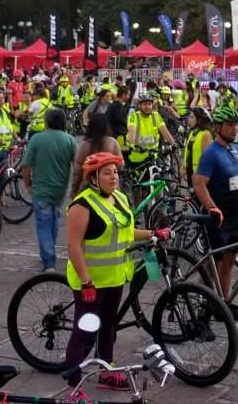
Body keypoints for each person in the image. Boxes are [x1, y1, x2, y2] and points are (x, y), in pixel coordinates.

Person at [62, 152, 162, 395]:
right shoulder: (82, 204)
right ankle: (73, 381)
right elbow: (73, 246)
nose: (113, 177)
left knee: (108, 327)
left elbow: (127, 231)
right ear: (94, 178)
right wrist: (86, 282)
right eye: (107, 173)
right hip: (91, 282)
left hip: (115, 277)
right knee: (84, 330)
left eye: (115, 172)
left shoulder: (118, 198)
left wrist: (153, 234)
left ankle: (107, 371)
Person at [192, 106, 238, 319]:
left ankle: (223, 305)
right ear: (218, 127)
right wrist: (212, 207)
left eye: (236, 125)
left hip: (233, 216)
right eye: (229, 125)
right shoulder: (211, 153)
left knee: (229, 261)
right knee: (213, 265)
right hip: (217, 218)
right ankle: (202, 314)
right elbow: (199, 183)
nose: (234, 129)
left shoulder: (235, 150)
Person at [20, 108, 77, 271]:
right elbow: (77, 165)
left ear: (47, 122)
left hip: (41, 189)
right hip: (60, 190)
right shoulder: (70, 140)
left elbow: (26, 166)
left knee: (43, 224)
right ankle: (49, 249)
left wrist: (28, 184)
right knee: (54, 222)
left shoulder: (37, 139)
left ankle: (49, 261)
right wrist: (75, 186)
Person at [72, 113, 123, 194]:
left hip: (89, 187)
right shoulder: (112, 142)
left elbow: (77, 170)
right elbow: (120, 165)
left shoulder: (84, 145)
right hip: (110, 187)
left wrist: (74, 190)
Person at [126, 92, 175, 167]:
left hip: (152, 157)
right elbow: (132, 133)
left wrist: (173, 144)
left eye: (149, 104)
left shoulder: (156, 116)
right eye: (145, 104)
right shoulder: (134, 116)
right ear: (140, 105)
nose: (147, 107)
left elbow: (165, 132)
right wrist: (135, 145)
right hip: (137, 157)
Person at [182, 107, 213, 187]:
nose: (189, 119)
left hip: (200, 177)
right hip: (191, 173)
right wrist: (183, 166)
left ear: (199, 120)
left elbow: (208, 159)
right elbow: (188, 151)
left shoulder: (205, 134)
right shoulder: (192, 132)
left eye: (192, 117)